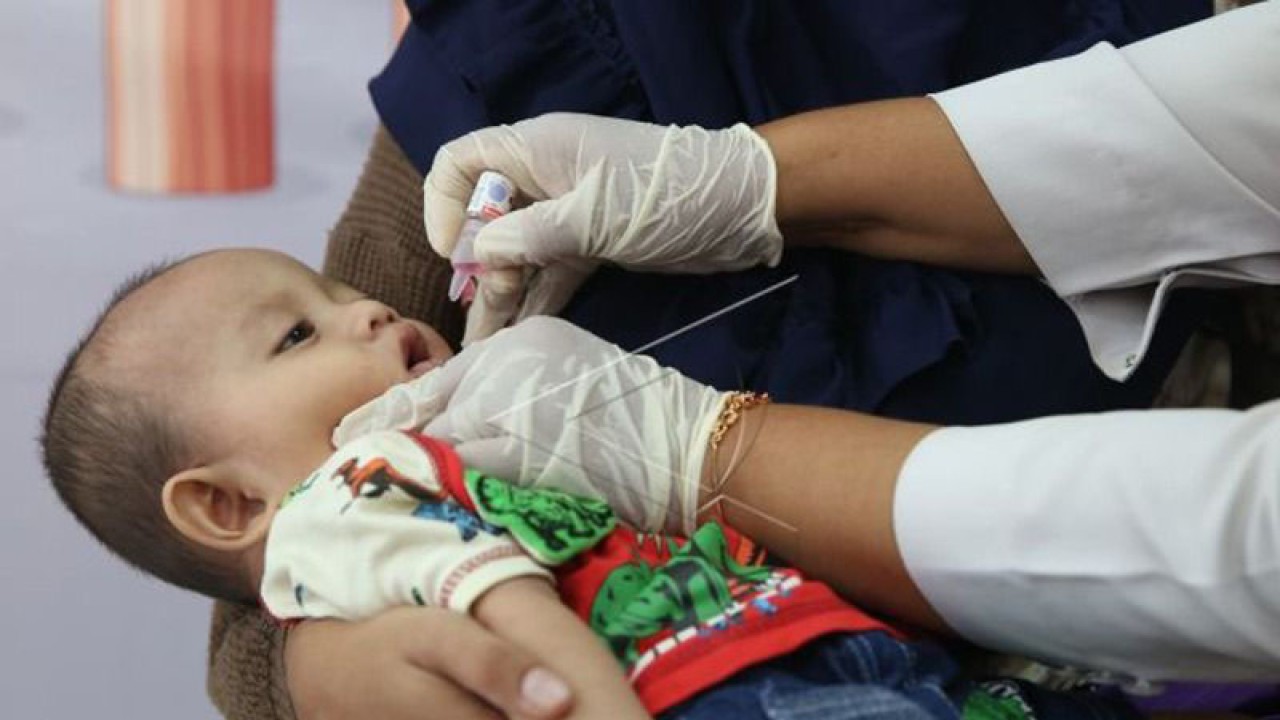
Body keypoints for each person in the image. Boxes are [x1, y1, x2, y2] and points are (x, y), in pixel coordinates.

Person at [208, 2, 1247, 718]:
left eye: (330, 315)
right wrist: (319, 652)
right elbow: (237, 484)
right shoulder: (509, 74)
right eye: (308, 327)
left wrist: (701, 454)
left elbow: (1236, 531)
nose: (367, 324)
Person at [40, 249, 1143, 720]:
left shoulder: (441, 462)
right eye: (295, 334)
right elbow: (504, 604)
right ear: (229, 505)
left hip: (806, 654)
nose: (367, 310)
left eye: (336, 291)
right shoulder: (348, 498)